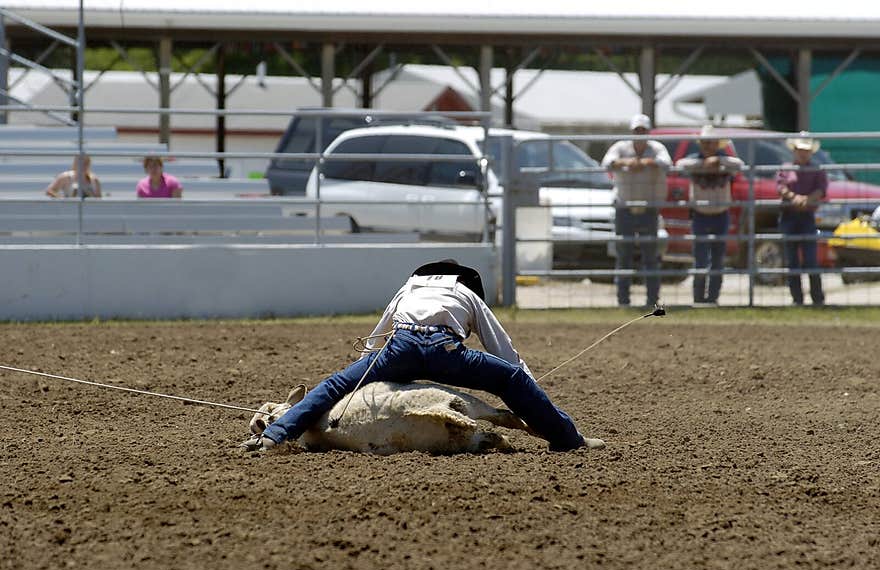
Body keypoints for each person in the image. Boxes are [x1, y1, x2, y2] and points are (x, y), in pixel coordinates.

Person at [242, 259, 605, 453]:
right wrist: (525, 381)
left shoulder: (407, 289)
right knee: (509, 380)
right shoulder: (467, 295)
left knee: (336, 384)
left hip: (399, 347)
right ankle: (567, 438)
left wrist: (368, 372)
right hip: (445, 349)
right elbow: (502, 350)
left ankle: (276, 434)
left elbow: (375, 340)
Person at [601, 113, 671, 308]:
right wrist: (627, 163)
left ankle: (652, 301)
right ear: (632, 132)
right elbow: (607, 163)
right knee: (624, 256)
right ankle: (623, 301)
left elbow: (666, 163)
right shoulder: (620, 147)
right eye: (637, 130)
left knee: (651, 256)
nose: (640, 134)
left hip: (649, 208)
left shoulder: (657, 148)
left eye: (643, 130)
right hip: (625, 207)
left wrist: (645, 163)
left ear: (648, 132)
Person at [678, 125, 743, 306]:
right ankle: (698, 298)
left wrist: (718, 160)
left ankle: (713, 297)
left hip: (721, 214)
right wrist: (703, 164)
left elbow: (739, 165)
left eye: (711, 143)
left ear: (717, 144)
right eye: (705, 143)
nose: (708, 146)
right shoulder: (694, 161)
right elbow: (680, 165)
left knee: (717, 259)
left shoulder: (726, 162)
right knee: (700, 258)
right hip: (700, 214)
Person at [776, 133, 826, 306]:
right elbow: (781, 187)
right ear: (795, 151)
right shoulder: (786, 167)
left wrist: (807, 199)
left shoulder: (817, 169)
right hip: (789, 215)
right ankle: (797, 298)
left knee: (811, 258)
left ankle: (817, 298)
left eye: (806, 150)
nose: (803, 153)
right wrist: (794, 197)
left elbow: (821, 189)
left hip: (807, 216)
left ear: (811, 152)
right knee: (792, 260)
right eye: (800, 150)